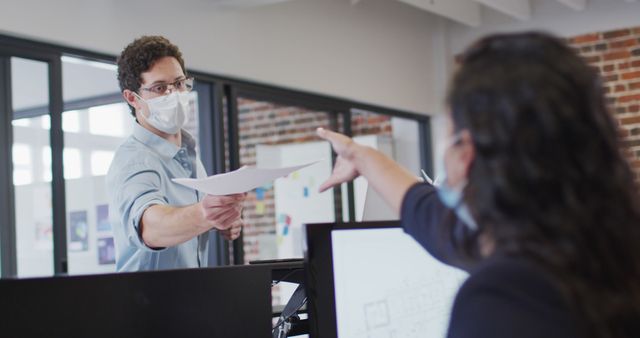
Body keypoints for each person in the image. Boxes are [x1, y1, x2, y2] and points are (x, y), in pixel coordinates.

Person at [317, 32, 640, 338]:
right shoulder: (609, 247)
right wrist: (362, 157)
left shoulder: (504, 300)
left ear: (467, 153)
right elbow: (432, 216)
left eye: (450, 134)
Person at [107, 36, 245, 272]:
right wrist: (204, 214)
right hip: (147, 304)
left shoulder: (186, 155)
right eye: (160, 88)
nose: (174, 95)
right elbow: (150, 227)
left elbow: (184, 220)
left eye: (179, 83)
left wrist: (217, 222)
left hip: (188, 298)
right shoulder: (135, 159)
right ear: (133, 98)